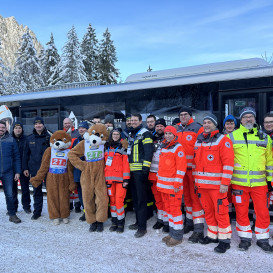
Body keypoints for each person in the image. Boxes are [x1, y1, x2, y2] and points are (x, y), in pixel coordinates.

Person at [228, 107, 273, 252]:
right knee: (241, 211)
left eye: (251, 117)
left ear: (254, 119)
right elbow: (226, 161)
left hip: (260, 183)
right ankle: (245, 238)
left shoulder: (265, 137)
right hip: (239, 184)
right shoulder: (231, 137)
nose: (248, 119)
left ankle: (262, 239)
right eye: (245, 117)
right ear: (240, 120)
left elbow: (270, 161)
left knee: (262, 212)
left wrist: (270, 181)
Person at [193, 114, 234, 253]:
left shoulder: (223, 140)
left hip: (217, 186)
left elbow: (228, 164)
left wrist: (225, 183)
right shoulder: (199, 141)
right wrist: (196, 182)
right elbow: (196, 164)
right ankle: (212, 235)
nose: (206, 125)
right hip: (202, 186)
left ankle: (224, 240)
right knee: (208, 212)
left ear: (215, 125)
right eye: (204, 122)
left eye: (209, 122)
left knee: (220, 213)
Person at [176, 107, 205, 242]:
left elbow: (202, 149)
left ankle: (198, 228)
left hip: (193, 170)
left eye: (185, 114)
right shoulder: (176, 129)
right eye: (181, 115)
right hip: (181, 170)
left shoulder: (197, 128)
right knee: (186, 198)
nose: (183, 116)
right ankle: (188, 223)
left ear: (190, 115)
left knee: (195, 198)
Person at [157, 125, 187, 247]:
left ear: (175, 135)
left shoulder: (178, 148)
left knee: (175, 211)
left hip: (173, 187)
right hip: (164, 186)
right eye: (166, 133)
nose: (168, 136)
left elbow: (181, 168)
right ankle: (172, 232)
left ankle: (178, 236)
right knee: (168, 210)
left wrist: (177, 184)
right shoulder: (164, 147)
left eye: (170, 134)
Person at [127, 114, 153, 238]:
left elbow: (149, 152)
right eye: (131, 120)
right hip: (131, 172)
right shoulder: (132, 134)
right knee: (135, 200)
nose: (133, 122)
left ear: (140, 121)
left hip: (140, 173)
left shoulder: (145, 133)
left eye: (135, 120)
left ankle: (142, 228)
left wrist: (145, 170)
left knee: (141, 200)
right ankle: (138, 222)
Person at [23, 117, 50, 220]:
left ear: (43, 125)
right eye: (36, 124)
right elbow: (25, 155)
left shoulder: (49, 137)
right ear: (34, 126)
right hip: (34, 169)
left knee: (50, 191)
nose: (38, 125)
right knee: (36, 192)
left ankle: (53, 211)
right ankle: (37, 212)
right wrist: (25, 168)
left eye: (40, 124)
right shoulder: (29, 139)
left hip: (48, 170)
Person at [105, 128, 130, 233]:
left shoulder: (123, 148)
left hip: (120, 181)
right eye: (114, 134)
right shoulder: (106, 148)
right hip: (109, 181)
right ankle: (114, 222)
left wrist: (126, 179)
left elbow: (126, 165)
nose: (115, 136)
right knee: (113, 202)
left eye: (117, 134)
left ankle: (120, 223)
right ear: (111, 135)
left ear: (120, 136)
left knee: (119, 202)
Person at [0, 120, 21, 223]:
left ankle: (12, 215)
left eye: (3, 127)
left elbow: (17, 157)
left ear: (6, 129)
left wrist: (17, 172)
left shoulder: (11, 140)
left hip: (8, 172)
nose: (1, 129)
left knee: (9, 194)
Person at [148, 118, 167, 231]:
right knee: (158, 199)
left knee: (165, 200)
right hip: (153, 174)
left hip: (164, 175)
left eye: (161, 126)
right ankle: (160, 219)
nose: (159, 128)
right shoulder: (151, 138)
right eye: (157, 126)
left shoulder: (169, 139)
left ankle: (167, 221)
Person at [12, 121, 31, 214]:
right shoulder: (10, 139)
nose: (18, 130)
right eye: (16, 128)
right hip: (13, 169)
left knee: (25, 189)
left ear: (22, 129)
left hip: (24, 168)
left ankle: (26, 206)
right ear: (13, 129)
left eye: (19, 128)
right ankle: (14, 207)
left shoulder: (26, 139)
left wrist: (26, 168)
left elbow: (27, 155)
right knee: (13, 189)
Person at [72, 121, 89, 221]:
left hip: (88, 171)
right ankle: (85, 212)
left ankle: (90, 211)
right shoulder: (76, 141)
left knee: (88, 193)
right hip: (78, 171)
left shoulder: (91, 140)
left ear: (87, 129)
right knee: (81, 193)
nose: (81, 130)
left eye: (83, 128)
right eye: (80, 128)